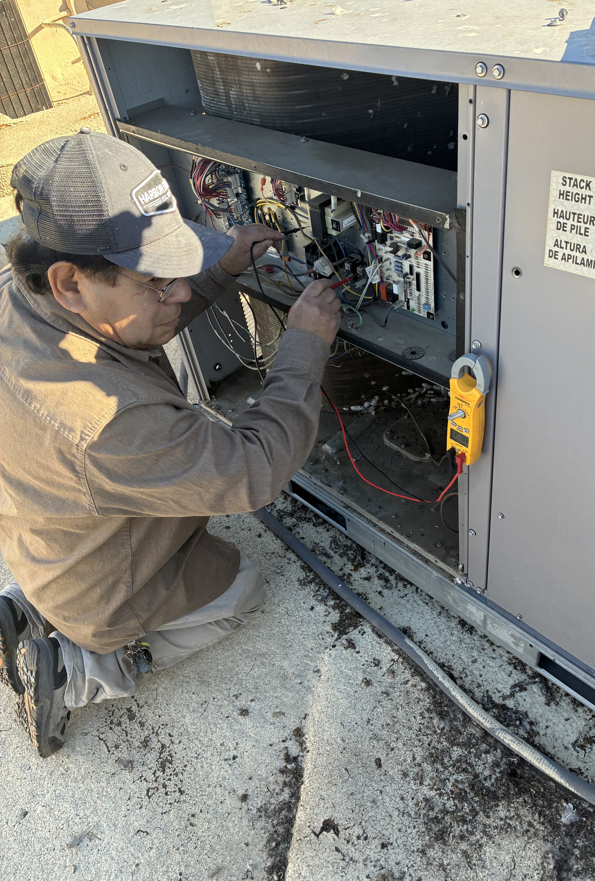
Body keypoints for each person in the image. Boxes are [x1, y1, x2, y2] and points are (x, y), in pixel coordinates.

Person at [0, 129, 340, 757]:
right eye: (159, 280)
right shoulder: (105, 421)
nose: (178, 290)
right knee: (241, 591)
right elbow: (252, 472)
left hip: (43, 540)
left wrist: (222, 263)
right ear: (71, 280)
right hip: (96, 587)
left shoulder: (23, 298)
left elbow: (128, 327)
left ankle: (29, 603)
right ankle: (79, 668)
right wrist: (305, 344)